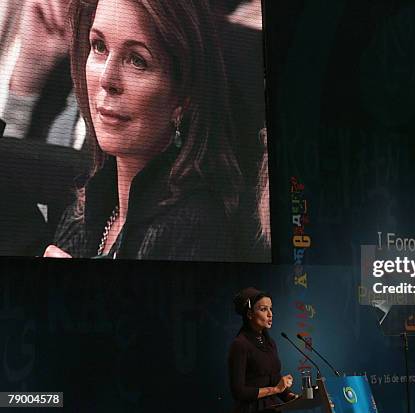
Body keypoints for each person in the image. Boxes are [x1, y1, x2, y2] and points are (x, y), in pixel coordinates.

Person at [42, 0, 267, 261]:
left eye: (137, 60)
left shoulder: (194, 226)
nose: (106, 79)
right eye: (99, 46)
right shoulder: (89, 203)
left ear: (183, 98)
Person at [228, 287, 298, 412]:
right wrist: (275, 390)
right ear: (249, 314)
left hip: (272, 408)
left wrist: (291, 396)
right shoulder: (240, 344)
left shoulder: (270, 343)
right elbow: (238, 392)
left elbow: (274, 379)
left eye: (270, 308)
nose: (270, 314)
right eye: (263, 309)